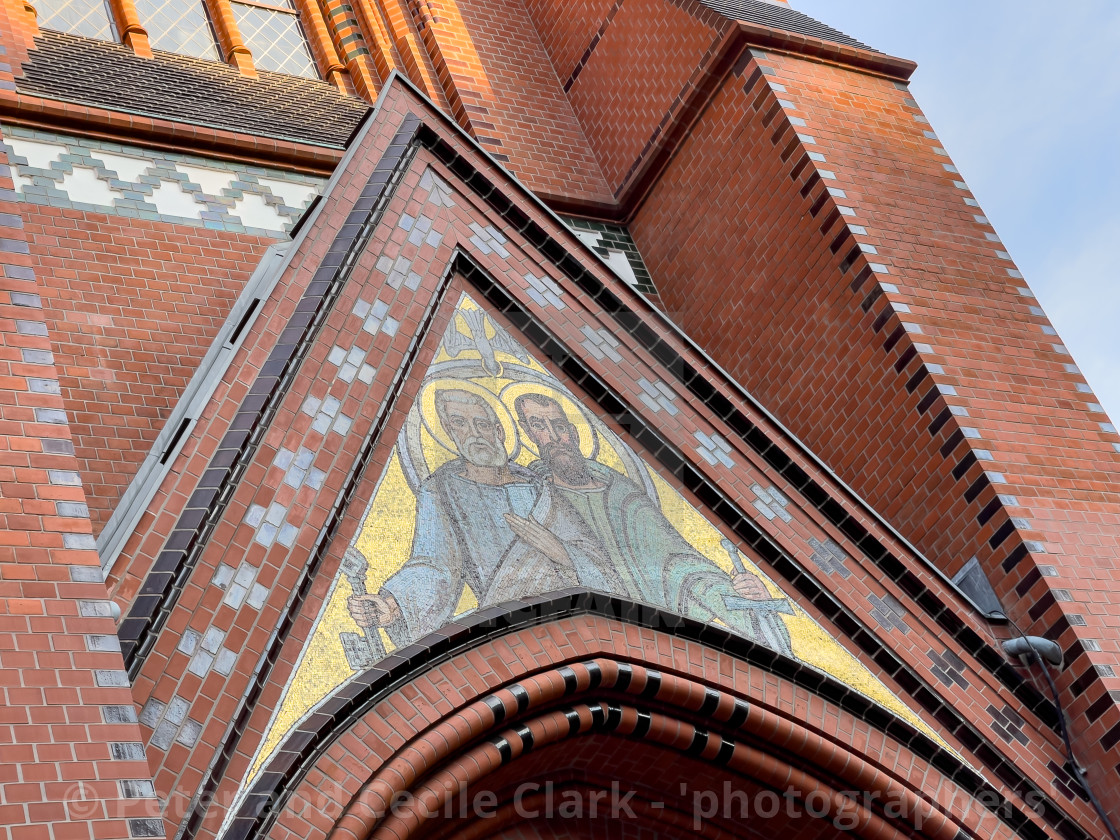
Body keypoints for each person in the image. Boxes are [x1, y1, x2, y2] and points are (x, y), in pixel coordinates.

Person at [513, 392, 794, 656]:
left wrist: (746, 599)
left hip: (658, 642)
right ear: (528, 434)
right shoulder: (536, 498)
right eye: (539, 426)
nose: (552, 436)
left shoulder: (626, 497)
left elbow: (682, 564)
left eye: (559, 426)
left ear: (573, 433)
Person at [347, 388, 619, 645]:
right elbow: (434, 564)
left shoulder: (540, 487)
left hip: (573, 620)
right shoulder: (442, 490)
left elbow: (596, 557)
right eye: (460, 424)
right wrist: (393, 605)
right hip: (507, 626)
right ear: (449, 432)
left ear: (499, 431)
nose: (474, 434)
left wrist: (558, 550)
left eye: (482, 425)